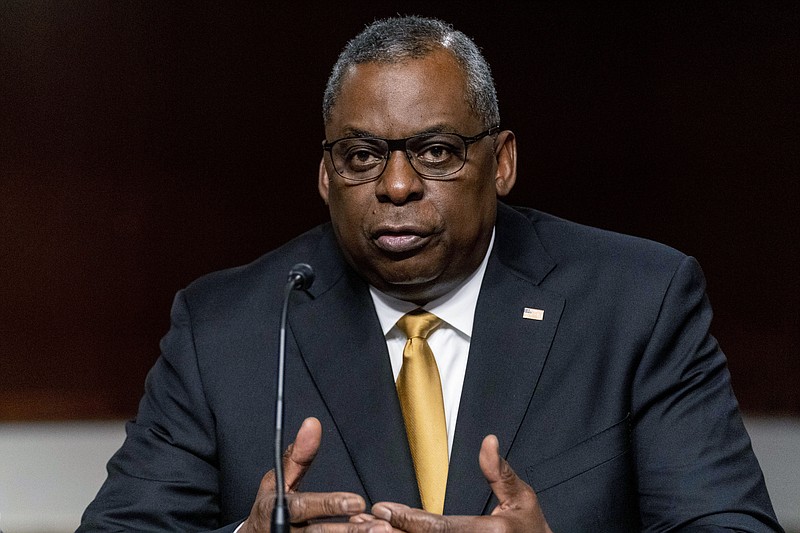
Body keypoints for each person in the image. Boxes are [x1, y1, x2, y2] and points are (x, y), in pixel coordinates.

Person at [78, 15, 783, 532]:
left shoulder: (639, 303)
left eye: (437, 151)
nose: (396, 185)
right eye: (361, 156)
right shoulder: (227, 327)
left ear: (501, 162)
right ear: (326, 177)